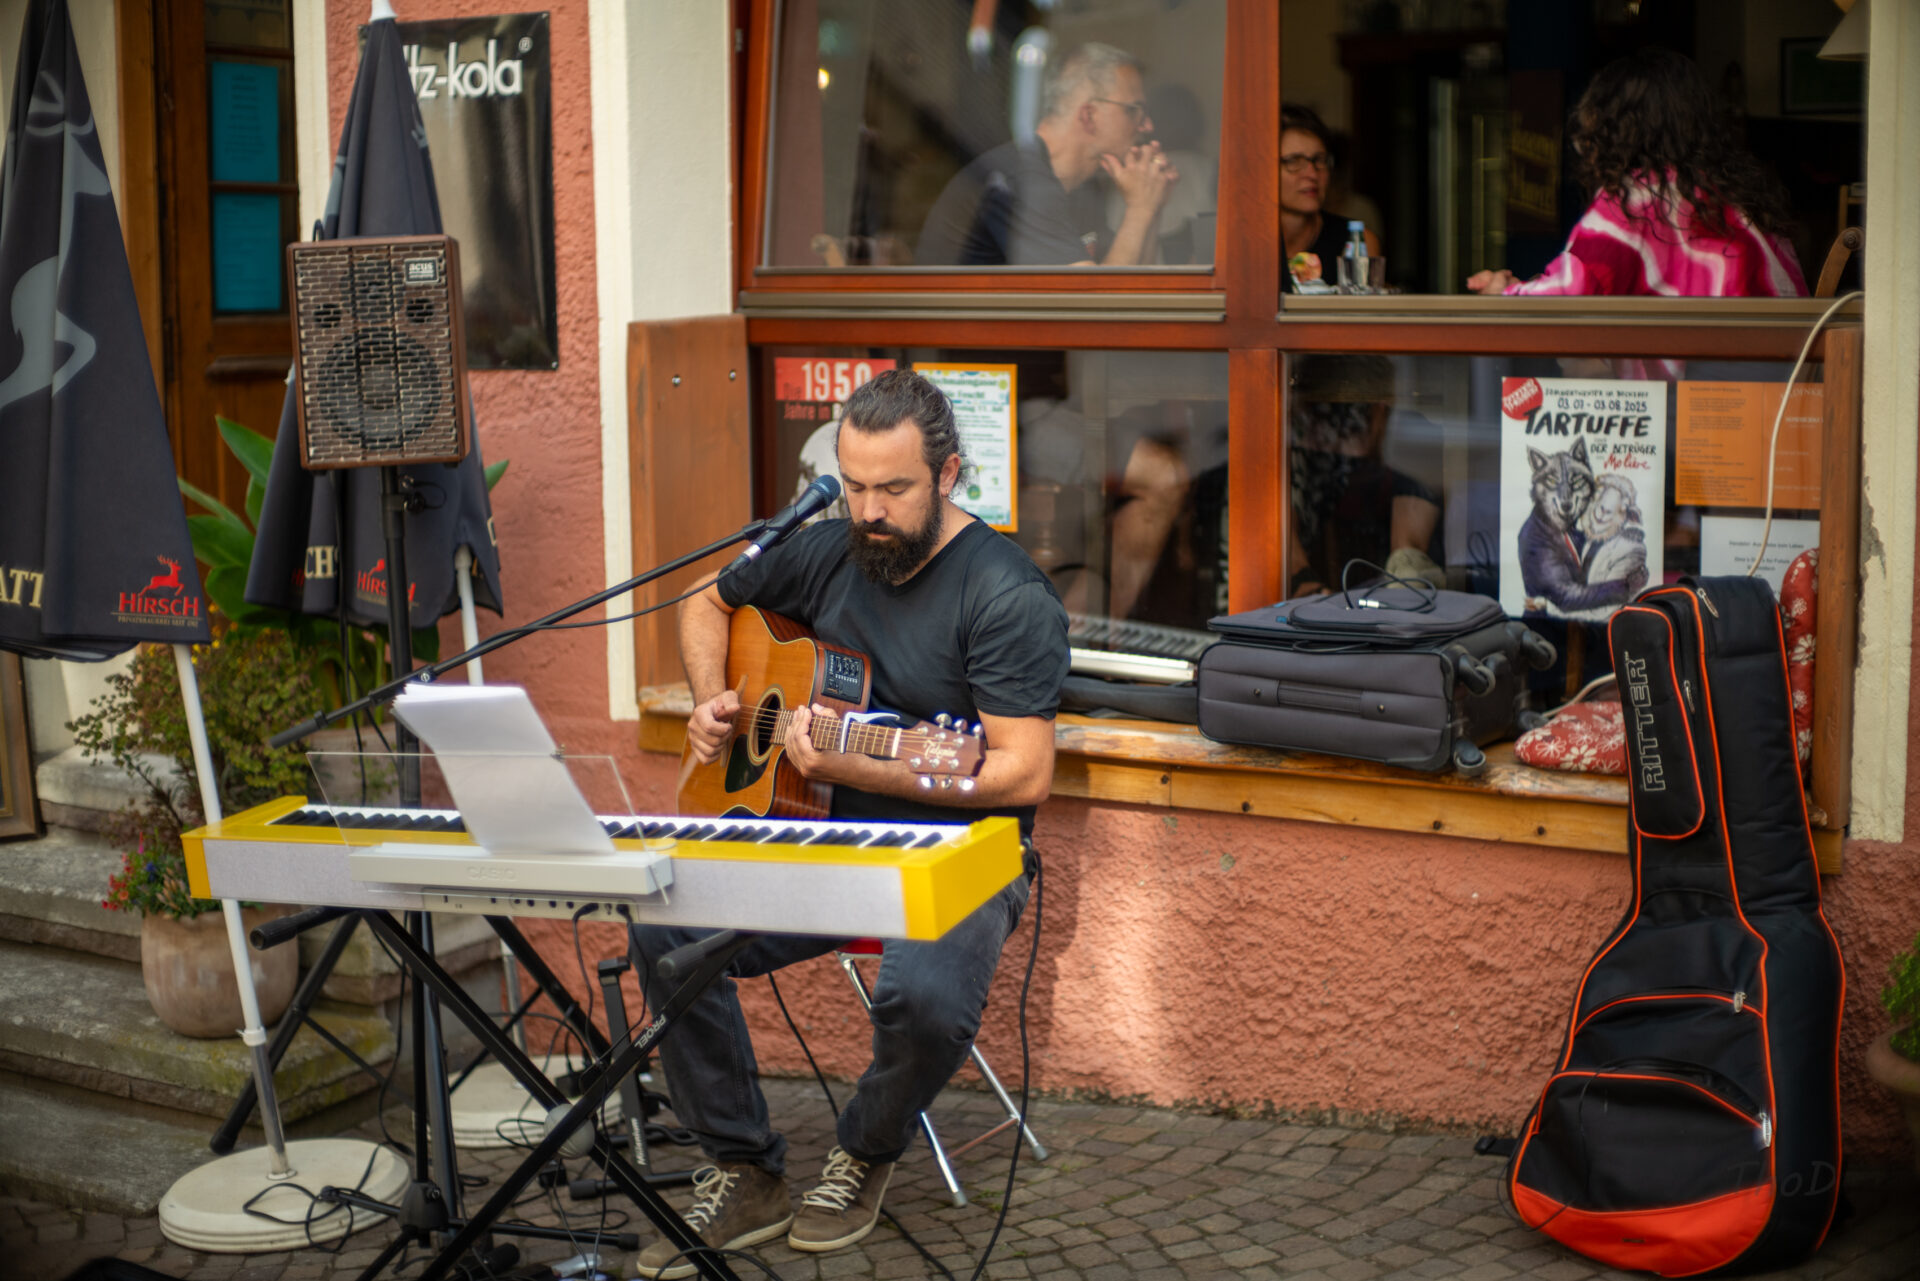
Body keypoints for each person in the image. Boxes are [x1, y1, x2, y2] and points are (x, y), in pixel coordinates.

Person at [629, 369, 1069, 1278]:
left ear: (949, 474)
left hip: (958, 848)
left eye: (894, 488)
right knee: (664, 916)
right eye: (855, 485)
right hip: (815, 833)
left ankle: (865, 1148)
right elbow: (705, 599)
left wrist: (856, 763)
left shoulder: (1005, 594)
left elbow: (1022, 768)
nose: (869, 510)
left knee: (924, 997)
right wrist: (713, 700)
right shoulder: (830, 547)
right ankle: (744, 1166)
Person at [1468, 48, 1805, 298]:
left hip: (1712, 376)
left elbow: (1565, 300)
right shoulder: (1739, 195)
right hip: (1785, 371)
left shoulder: (1634, 201)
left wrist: (1501, 293)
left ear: (1612, 130)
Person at [916, 42, 1179, 266]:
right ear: (1089, 115)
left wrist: (1151, 205)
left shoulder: (1081, 190)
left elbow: (1136, 285)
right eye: (1133, 110)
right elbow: (1095, 302)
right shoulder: (1022, 183)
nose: (1147, 126)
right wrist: (1140, 209)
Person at [1279, 103, 1378, 293]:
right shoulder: (1239, 243)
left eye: (1319, 160)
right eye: (1294, 161)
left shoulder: (1356, 243)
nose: (1312, 174)